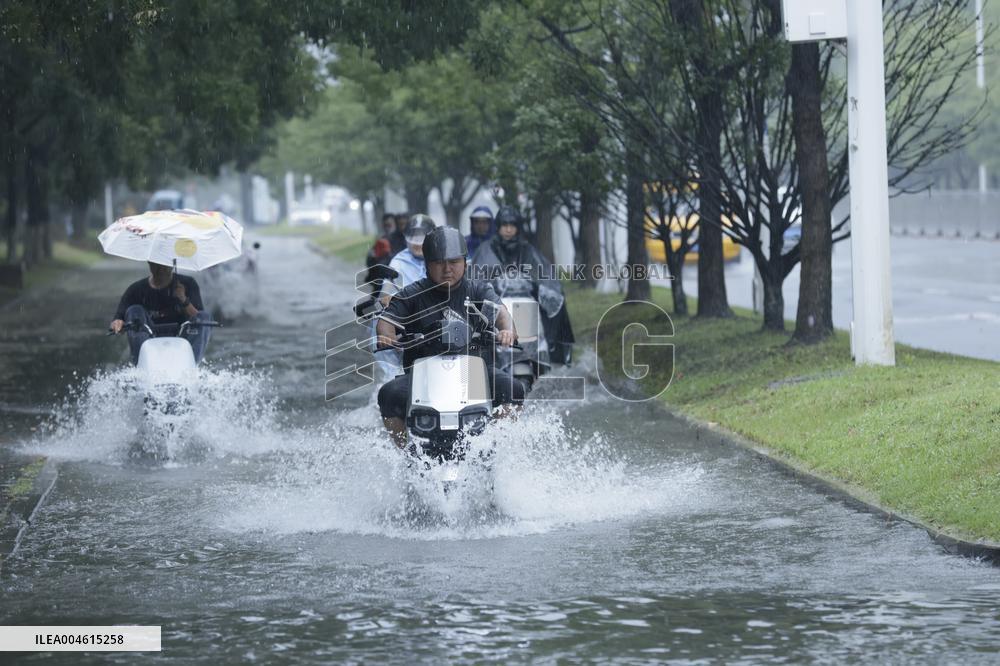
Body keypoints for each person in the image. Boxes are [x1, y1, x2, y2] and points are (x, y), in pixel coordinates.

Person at [375, 227, 524, 445]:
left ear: (465, 262)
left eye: (453, 262)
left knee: (514, 389)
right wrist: (387, 337)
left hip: (474, 374)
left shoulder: (478, 291)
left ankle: (496, 446)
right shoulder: (412, 294)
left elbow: (502, 314)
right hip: (423, 376)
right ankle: (406, 452)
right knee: (388, 395)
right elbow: (386, 322)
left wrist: (507, 331)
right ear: (427, 265)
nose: (447, 269)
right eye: (439, 262)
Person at [470, 205, 575, 365]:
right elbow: (476, 278)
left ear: (517, 228)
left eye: (512, 225)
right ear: (498, 227)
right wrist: (493, 284)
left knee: (556, 298)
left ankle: (553, 346)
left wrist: (534, 285)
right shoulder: (486, 249)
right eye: (505, 225)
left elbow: (543, 275)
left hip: (527, 304)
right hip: (497, 302)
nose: (508, 230)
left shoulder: (527, 250)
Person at [370, 214, 436, 380]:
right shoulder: (398, 262)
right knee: (378, 322)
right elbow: (386, 293)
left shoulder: (444, 257)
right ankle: (390, 377)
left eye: (422, 237)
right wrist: (387, 300)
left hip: (441, 313)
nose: (417, 242)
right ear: (406, 238)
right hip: (408, 318)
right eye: (413, 237)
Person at [109, 261, 212, 364]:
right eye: (156, 265)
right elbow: (118, 320)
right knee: (134, 310)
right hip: (148, 342)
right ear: (150, 265)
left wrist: (183, 299)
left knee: (204, 316)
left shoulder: (188, 284)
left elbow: (200, 319)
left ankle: (192, 364)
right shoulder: (135, 290)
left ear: (172, 266)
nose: (161, 269)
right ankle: (141, 364)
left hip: (182, 341)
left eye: (164, 266)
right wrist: (118, 324)